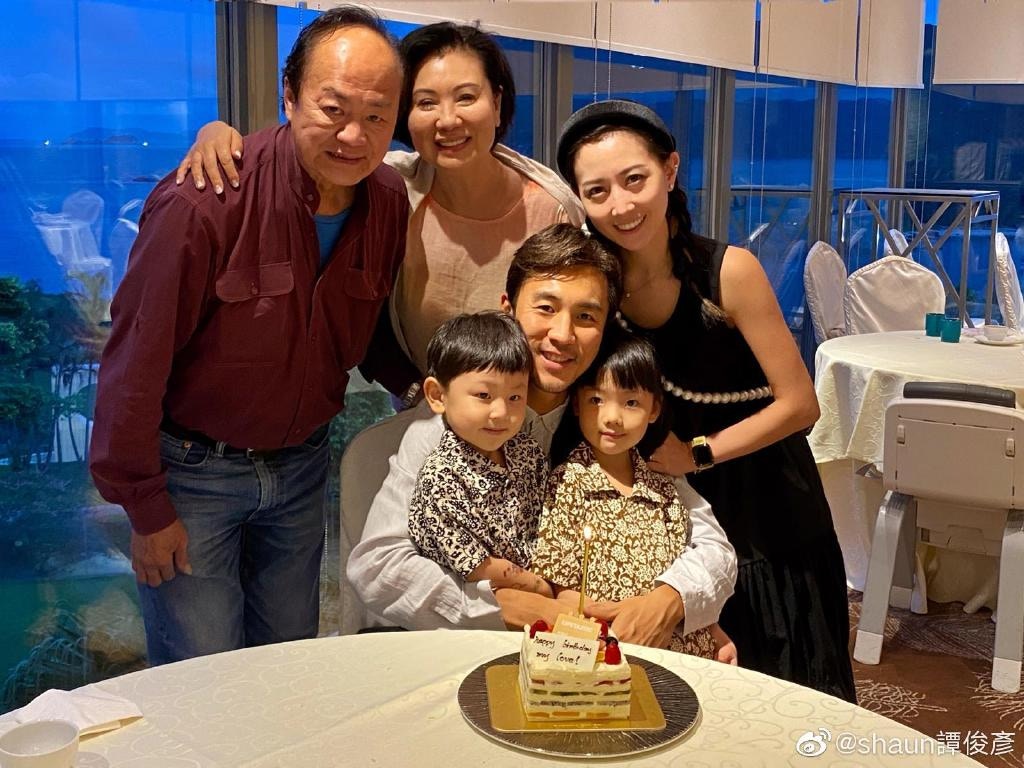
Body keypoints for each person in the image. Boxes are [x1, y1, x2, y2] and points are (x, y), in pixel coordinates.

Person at [89, 6, 408, 665]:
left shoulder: (386, 201)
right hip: (193, 477)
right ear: (289, 96)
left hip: (301, 468)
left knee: (285, 669)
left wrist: (431, 392)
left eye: (377, 116)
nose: (354, 135)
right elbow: (135, 360)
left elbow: (370, 328)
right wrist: (145, 507)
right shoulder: (205, 200)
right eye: (333, 109)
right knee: (200, 676)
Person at [556, 99, 856, 701]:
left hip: (763, 498)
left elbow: (801, 404)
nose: (621, 205)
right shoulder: (599, 286)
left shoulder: (728, 272)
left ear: (669, 171)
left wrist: (698, 453)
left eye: (635, 179)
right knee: (682, 687)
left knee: (780, 685)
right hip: (670, 501)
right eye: (597, 192)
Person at [347, 223, 738, 644]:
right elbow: (378, 565)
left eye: (586, 316)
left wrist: (672, 599)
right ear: (508, 308)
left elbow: (713, 546)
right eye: (546, 308)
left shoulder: (614, 420)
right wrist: (507, 608)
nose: (562, 335)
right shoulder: (446, 428)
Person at [176, 21, 584, 398]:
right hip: (423, 409)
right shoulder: (391, 190)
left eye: (466, 97)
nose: (447, 120)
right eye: (426, 102)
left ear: (496, 103)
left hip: (528, 409)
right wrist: (218, 135)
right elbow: (305, 160)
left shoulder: (552, 211)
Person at [531, 329, 736, 662]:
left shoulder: (665, 485)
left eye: (631, 402)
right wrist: (622, 619)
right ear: (577, 404)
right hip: (609, 650)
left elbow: (688, 562)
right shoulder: (567, 483)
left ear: (654, 409)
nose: (613, 417)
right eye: (596, 400)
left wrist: (710, 627)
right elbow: (561, 591)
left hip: (679, 649)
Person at [408, 311, 551, 597]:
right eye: (484, 395)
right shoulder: (441, 477)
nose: (501, 412)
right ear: (437, 395)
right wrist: (540, 587)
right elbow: (475, 565)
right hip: (477, 605)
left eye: (515, 397)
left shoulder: (527, 452)